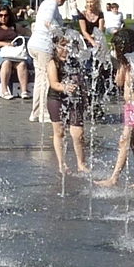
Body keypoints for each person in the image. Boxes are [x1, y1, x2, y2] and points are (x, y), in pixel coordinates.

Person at [94, 28, 134, 188]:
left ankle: (114, 178)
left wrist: (124, 66)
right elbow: (119, 83)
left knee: (124, 141)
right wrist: (121, 65)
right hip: (131, 105)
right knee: (133, 142)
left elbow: (127, 81)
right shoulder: (128, 63)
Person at [27, 0, 69, 123]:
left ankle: (36, 112)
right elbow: (47, 22)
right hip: (43, 45)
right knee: (46, 80)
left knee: (39, 80)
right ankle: (45, 113)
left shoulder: (44, 3)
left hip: (34, 44)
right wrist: (59, 34)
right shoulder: (52, 4)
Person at [47, 35, 88, 175]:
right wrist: (64, 87)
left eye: (67, 46)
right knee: (59, 132)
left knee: (78, 134)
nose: (65, 49)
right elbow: (53, 83)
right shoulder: (53, 62)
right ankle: (62, 164)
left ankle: (81, 164)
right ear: (55, 47)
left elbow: (82, 82)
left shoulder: (75, 62)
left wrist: (85, 98)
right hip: (56, 99)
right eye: (61, 46)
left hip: (75, 100)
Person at [0, 6, 29, 99]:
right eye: (0, 15)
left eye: (6, 15)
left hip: (14, 51)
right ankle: (4, 91)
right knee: (6, 63)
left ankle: (24, 91)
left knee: (22, 64)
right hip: (0, 51)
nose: (3, 18)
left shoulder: (14, 26)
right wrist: (4, 44)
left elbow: (26, 32)